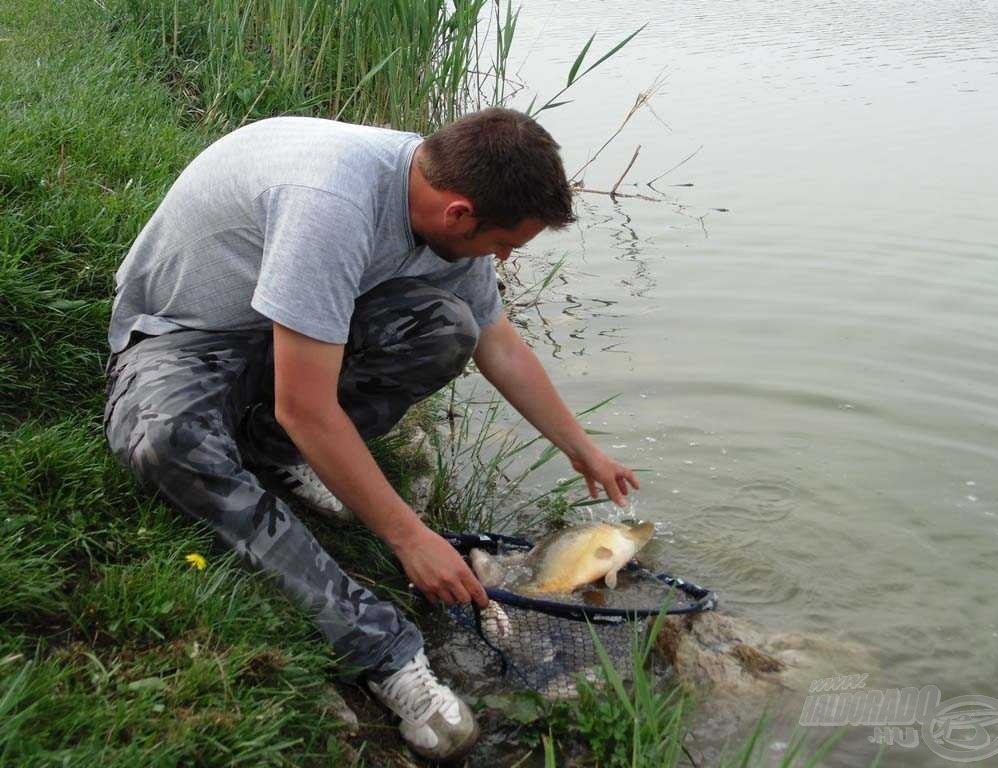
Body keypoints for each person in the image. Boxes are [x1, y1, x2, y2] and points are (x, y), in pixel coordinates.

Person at [103, 107, 639, 762]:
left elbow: (497, 343)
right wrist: (410, 537)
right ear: (460, 214)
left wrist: (581, 448)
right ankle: (386, 654)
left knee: (447, 327)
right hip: (187, 336)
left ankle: (275, 452)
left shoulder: (441, 195)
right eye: (504, 245)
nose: (501, 259)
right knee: (166, 442)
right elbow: (307, 404)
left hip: (291, 334)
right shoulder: (332, 203)